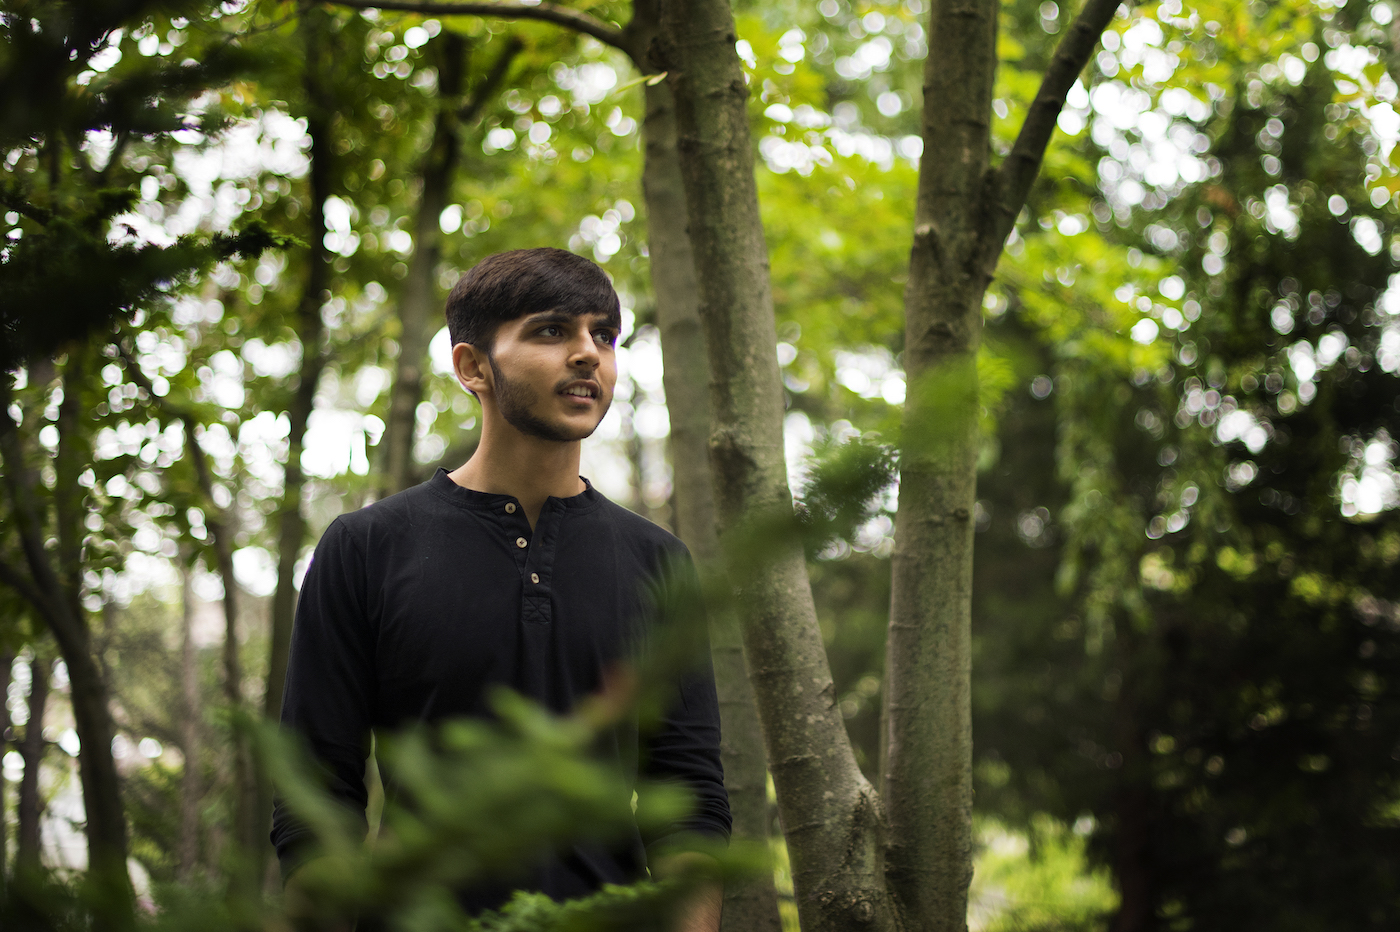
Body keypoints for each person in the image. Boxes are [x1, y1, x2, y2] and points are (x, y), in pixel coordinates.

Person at [270, 248, 730, 930]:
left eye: (603, 335)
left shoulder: (659, 561)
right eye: (551, 331)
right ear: (472, 367)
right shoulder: (365, 548)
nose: (588, 355)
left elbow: (688, 795)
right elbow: (316, 793)